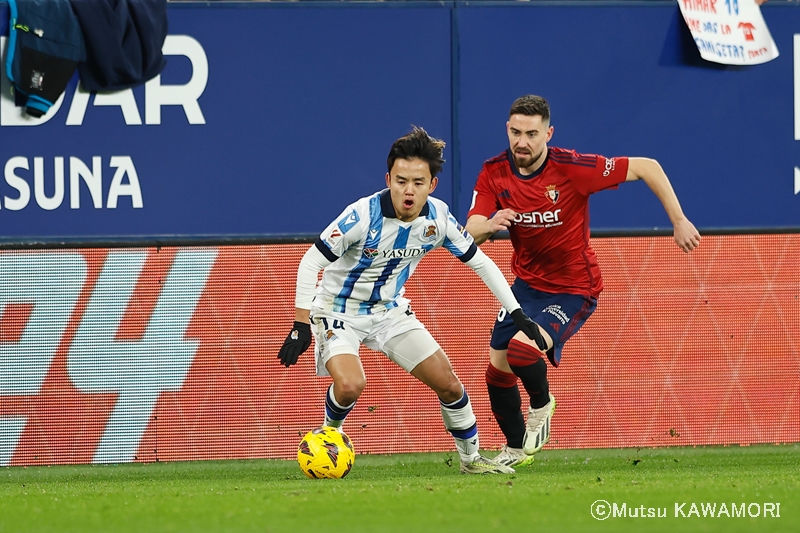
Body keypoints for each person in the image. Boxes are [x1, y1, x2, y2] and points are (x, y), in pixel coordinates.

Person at [278, 126, 547, 474]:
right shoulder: (361, 215)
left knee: (449, 384)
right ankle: (331, 432)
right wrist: (301, 324)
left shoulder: (438, 217)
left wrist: (517, 312)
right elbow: (311, 261)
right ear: (388, 178)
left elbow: (480, 261)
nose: (408, 190)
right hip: (337, 312)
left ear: (431, 185)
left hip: (390, 313)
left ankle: (471, 461)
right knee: (349, 385)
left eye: (418, 183)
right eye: (401, 180)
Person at [465, 95, 701, 467]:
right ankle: (513, 450)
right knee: (496, 371)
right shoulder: (494, 170)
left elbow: (648, 167)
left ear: (548, 133)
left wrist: (679, 220)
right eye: (515, 132)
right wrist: (491, 224)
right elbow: (472, 228)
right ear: (506, 130)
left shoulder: (572, 167)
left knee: (522, 351)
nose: (522, 142)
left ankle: (542, 406)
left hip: (574, 287)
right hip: (525, 286)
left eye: (531, 133)